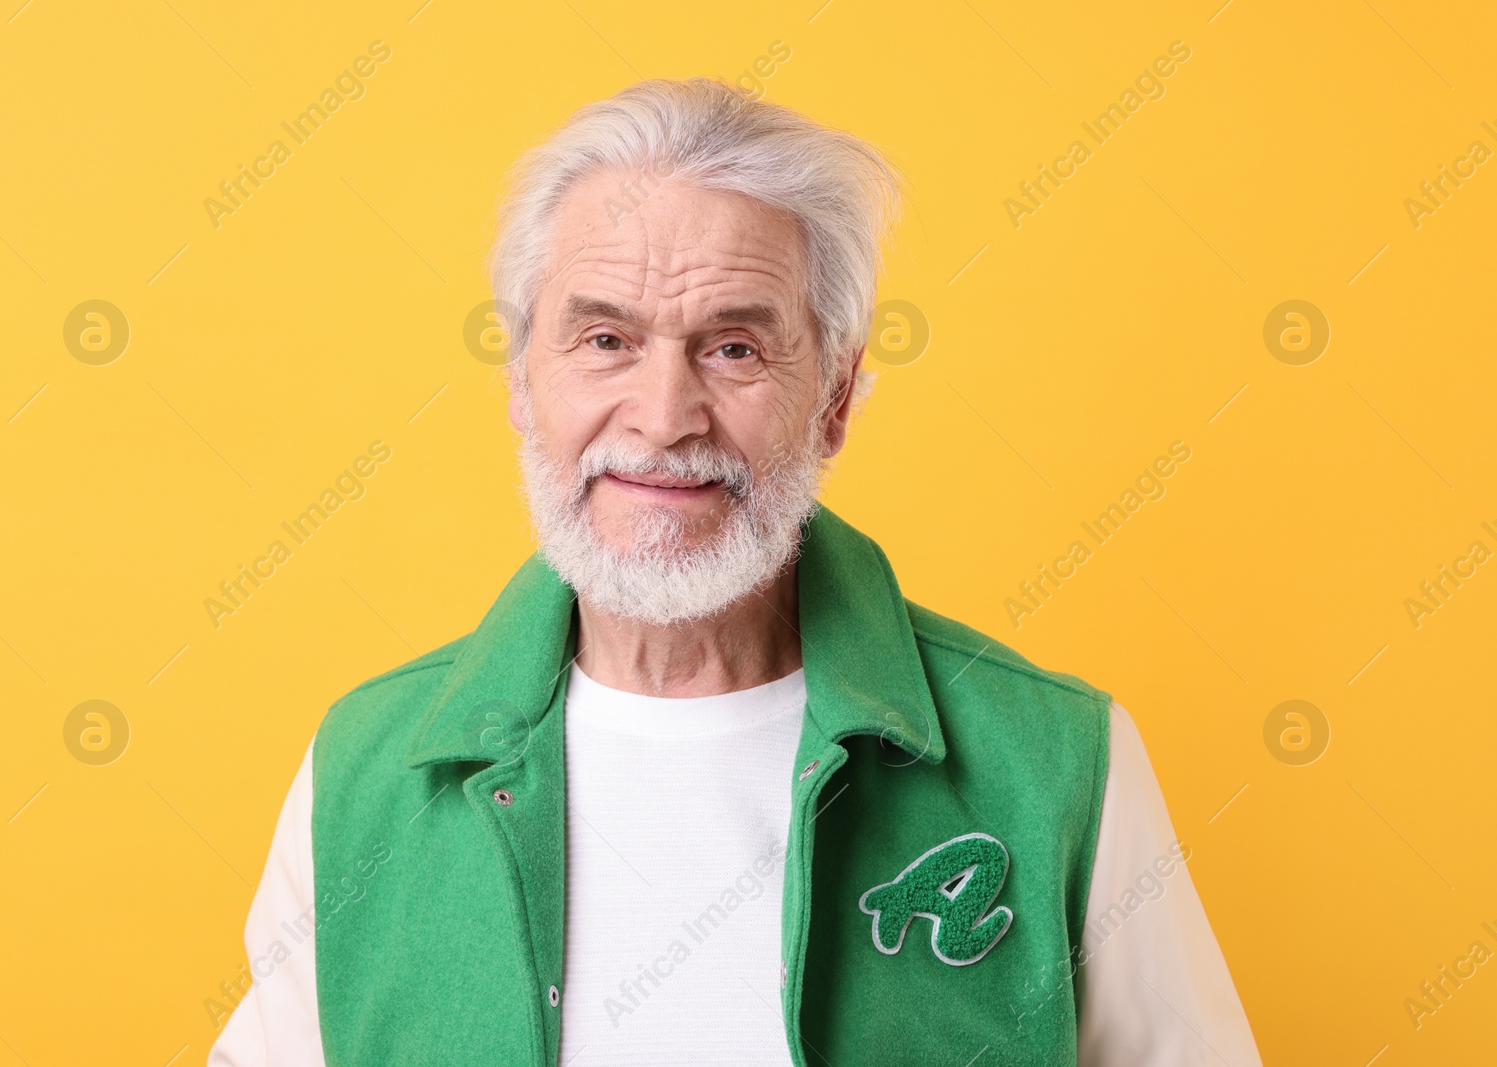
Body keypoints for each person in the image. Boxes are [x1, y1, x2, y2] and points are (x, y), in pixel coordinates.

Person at [209, 77, 1262, 1066]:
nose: (663, 418)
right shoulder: (361, 775)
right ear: (522, 386)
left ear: (837, 399)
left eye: (735, 350)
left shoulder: (1060, 766)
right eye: (606, 338)